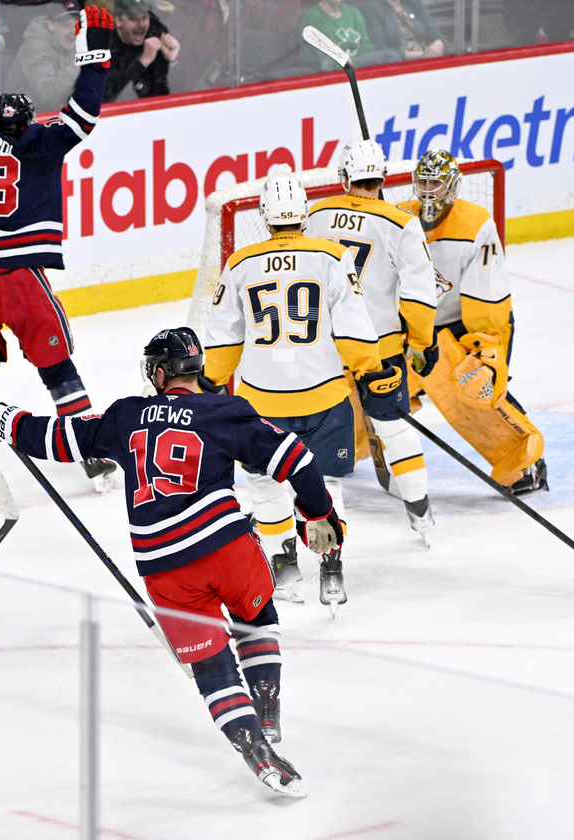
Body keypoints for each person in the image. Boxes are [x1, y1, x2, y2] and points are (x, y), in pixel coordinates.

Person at [0, 327, 344, 797]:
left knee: (211, 668)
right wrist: (319, 513)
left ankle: (256, 751)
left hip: (163, 567)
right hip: (226, 547)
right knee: (257, 614)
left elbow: (63, 439)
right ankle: (266, 713)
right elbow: (298, 459)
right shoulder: (224, 410)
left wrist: (4, 421)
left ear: (160, 372)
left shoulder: (127, 414)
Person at [0, 6, 118, 512]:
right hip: (18, 279)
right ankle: (91, 453)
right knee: (57, 370)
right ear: (28, 121)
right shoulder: (41, 142)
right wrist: (93, 48)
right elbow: (85, 112)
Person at [200, 174, 403, 611]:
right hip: (325, 399)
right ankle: (331, 569)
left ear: (266, 217)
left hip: (260, 403)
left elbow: (222, 338)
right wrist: (370, 370)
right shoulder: (332, 255)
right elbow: (353, 326)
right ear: (304, 211)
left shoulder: (240, 263)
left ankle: (285, 565)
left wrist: (212, 383)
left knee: (265, 485)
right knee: (326, 482)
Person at [307, 140, 438, 545]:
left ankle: (329, 537)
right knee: (394, 427)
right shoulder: (401, 222)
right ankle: (420, 513)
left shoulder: (315, 213)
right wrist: (422, 341)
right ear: (383, 178)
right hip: (379, 348)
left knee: (327, 439)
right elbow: (418, 294)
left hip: (326, 350)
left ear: (344, 178)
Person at [401, 150, 548, 494]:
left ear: (451, 185)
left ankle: (525, 463)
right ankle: (341, 452)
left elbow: (488, 293)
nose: (426, 190)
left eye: (434, 182)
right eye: (421, 181)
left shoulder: (476, 224)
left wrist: (484, 350)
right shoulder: (401, 219)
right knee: (372, 384)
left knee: (476, 390)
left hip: (467, 325)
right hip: (418, 328)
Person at [3, 8, 80, 113]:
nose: (73, 31)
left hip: (52, 116)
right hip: (20, 118)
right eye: (66, 25)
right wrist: (79, 63)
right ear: (51, 25)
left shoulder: (73, 43)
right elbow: (49, 93)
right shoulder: (35, 47)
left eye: (76, 25)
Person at [104, 0, 179, 102]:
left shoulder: (154, 33)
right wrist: (143, 61)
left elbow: (165, 93)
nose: (141, 24)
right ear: (118, 20)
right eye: (133, 18)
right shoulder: (104, 45)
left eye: (144, 17)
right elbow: (105, 97)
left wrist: (170, 59)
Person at [300, 0, 402, 70]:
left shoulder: (353, 12)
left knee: (390, 56)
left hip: (358, 63)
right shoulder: (313, 16)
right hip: (331, 69)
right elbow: (323, 56)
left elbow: (366, 45)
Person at [357, 0, 445, 60]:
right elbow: (378, 48)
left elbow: (435, 33)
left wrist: (437, 45)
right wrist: (417, 55)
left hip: (430, 60)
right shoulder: (369, 8)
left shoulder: (413, 3)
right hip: (399, 66)